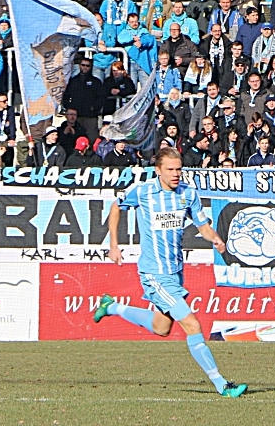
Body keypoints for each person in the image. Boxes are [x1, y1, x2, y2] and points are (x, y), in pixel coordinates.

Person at [93, 148, 247, 397]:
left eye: (179, 169)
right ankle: (222, 385)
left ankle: (111, 307)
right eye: (170, 169)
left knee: (162, 327)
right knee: (192, 324)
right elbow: (115, 206)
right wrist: (113, 244)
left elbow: (203, 226)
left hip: (175, 272)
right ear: (158, 170)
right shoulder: (142, 191)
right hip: (154, 273)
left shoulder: (187, 194)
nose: (176, 174)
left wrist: (216, 239)